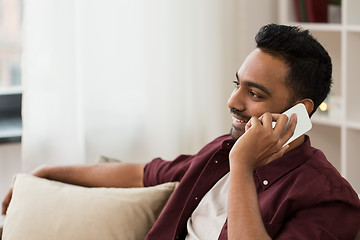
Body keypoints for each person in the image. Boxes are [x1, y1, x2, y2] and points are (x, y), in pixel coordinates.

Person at [2, 24, 360, 239]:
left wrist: (242, 167)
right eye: (237, 85)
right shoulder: (220, 153)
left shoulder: (328, 199)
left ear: (300, 112)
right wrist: (46, 174)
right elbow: (140, 174)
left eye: (254, 94)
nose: (233, 101)